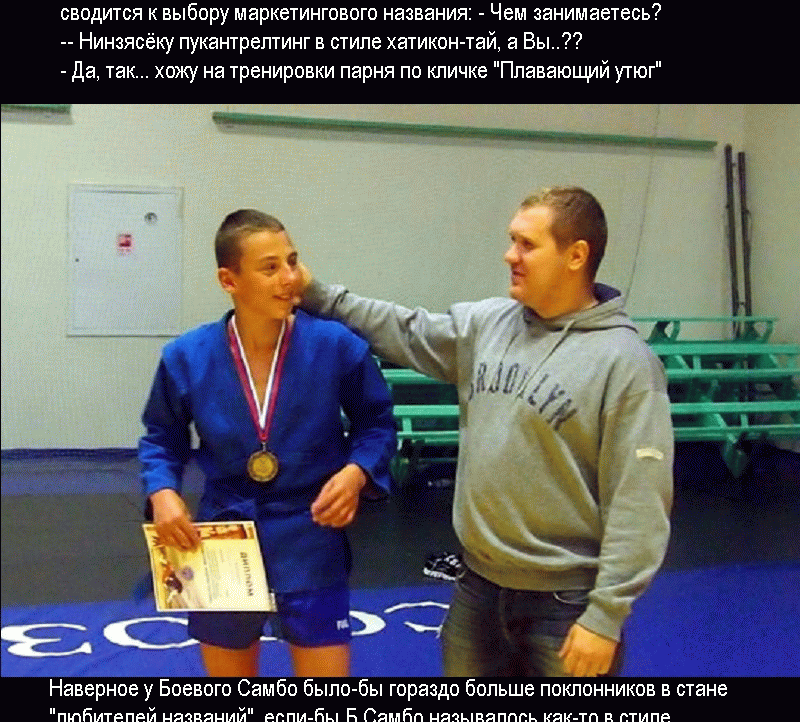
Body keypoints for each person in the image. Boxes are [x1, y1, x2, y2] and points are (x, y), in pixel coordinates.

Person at [298, 187, 673, 677]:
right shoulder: (488, 325)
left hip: (567, 607)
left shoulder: (626, 364)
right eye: (512, 240)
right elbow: (404, 328)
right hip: (477, 591)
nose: (509, 255)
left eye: (527, 244)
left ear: (576, 255)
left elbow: (640, 500)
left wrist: (605, 617)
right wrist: (316, 294)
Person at [139, 210, 396, 677]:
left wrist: (357, 472)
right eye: (270, 267)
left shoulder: (336, 346)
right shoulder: (187, 356)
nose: (289, 278)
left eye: (292, 262)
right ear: (228, 280)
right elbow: (162, 436)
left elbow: (376, 423)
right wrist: (162, 491)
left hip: (311, 530)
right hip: (223, 531)